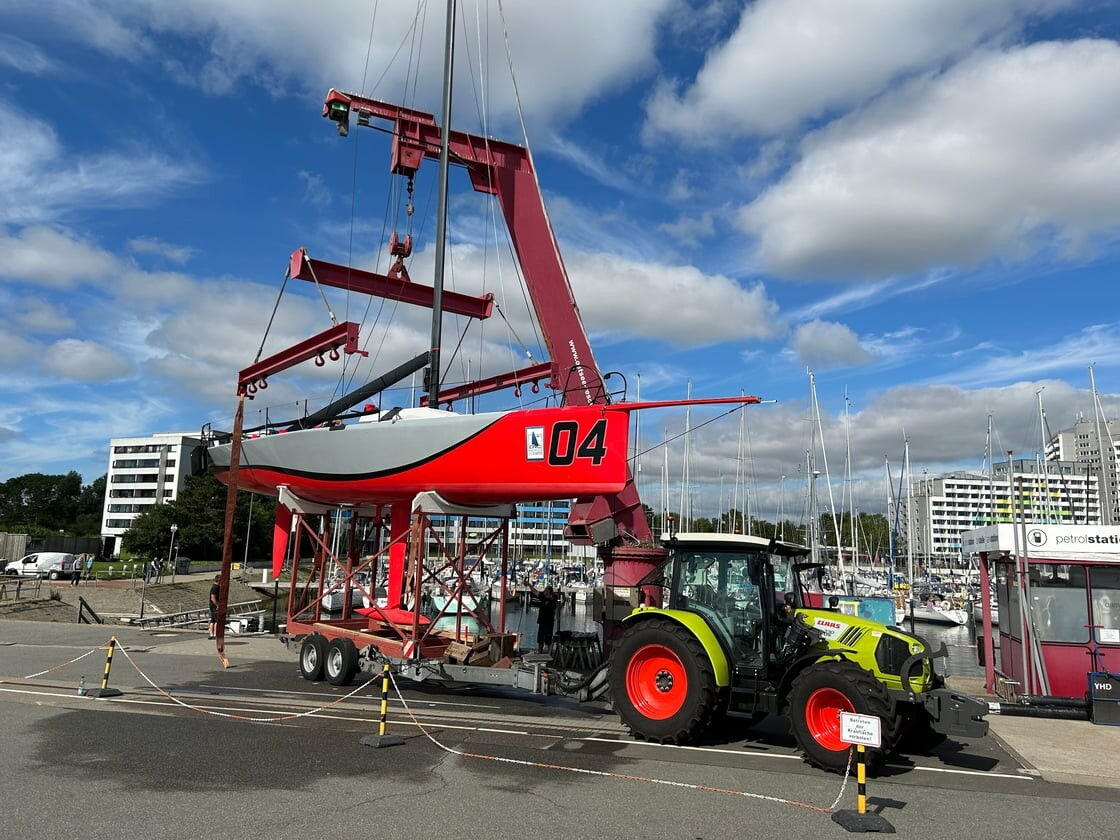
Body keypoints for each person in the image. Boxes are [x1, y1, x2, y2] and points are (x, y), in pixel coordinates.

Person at [535, 585, 559, 653]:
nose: (545, 591)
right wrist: (529, 585)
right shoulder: (542, 596)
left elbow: (554, 600)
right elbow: (535, 592)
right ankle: (540, 651)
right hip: (542, 620)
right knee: (540, 637)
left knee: (548, 636)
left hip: (549, 621)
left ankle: (549, 651)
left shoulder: (553, 597)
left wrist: (548, 597)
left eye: (546, 590)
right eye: (545, 590)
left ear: (549, 591)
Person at [208, 574, 221, 639]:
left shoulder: (214, 586)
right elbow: (213, 598)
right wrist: (217, 605)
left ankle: (211, 634)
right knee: (216, 621)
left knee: (212, 620)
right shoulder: (215, 587)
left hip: (212, 606)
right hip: (214, 606)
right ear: (219, 580)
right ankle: (215, 634)